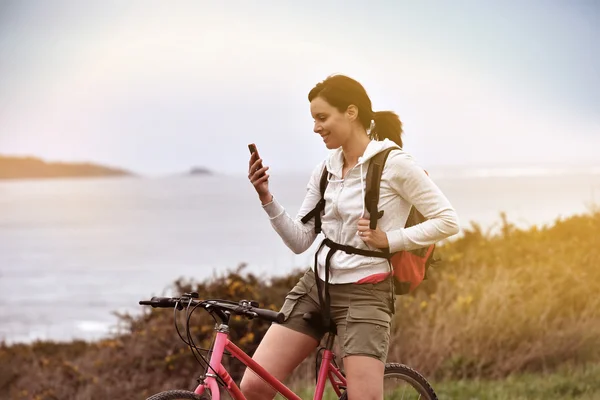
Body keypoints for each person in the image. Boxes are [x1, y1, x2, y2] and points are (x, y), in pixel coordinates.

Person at [243, 74, 459, 400]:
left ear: (352, 112)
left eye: (322, 117)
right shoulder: (325, 169)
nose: (316, 127)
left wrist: (390, 240)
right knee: (254, 386)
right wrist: (266, 197)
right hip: (316, 288)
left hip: (366, 294)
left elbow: (448, 220)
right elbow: (301, 240)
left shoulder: (395, 164)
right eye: (313, 119)